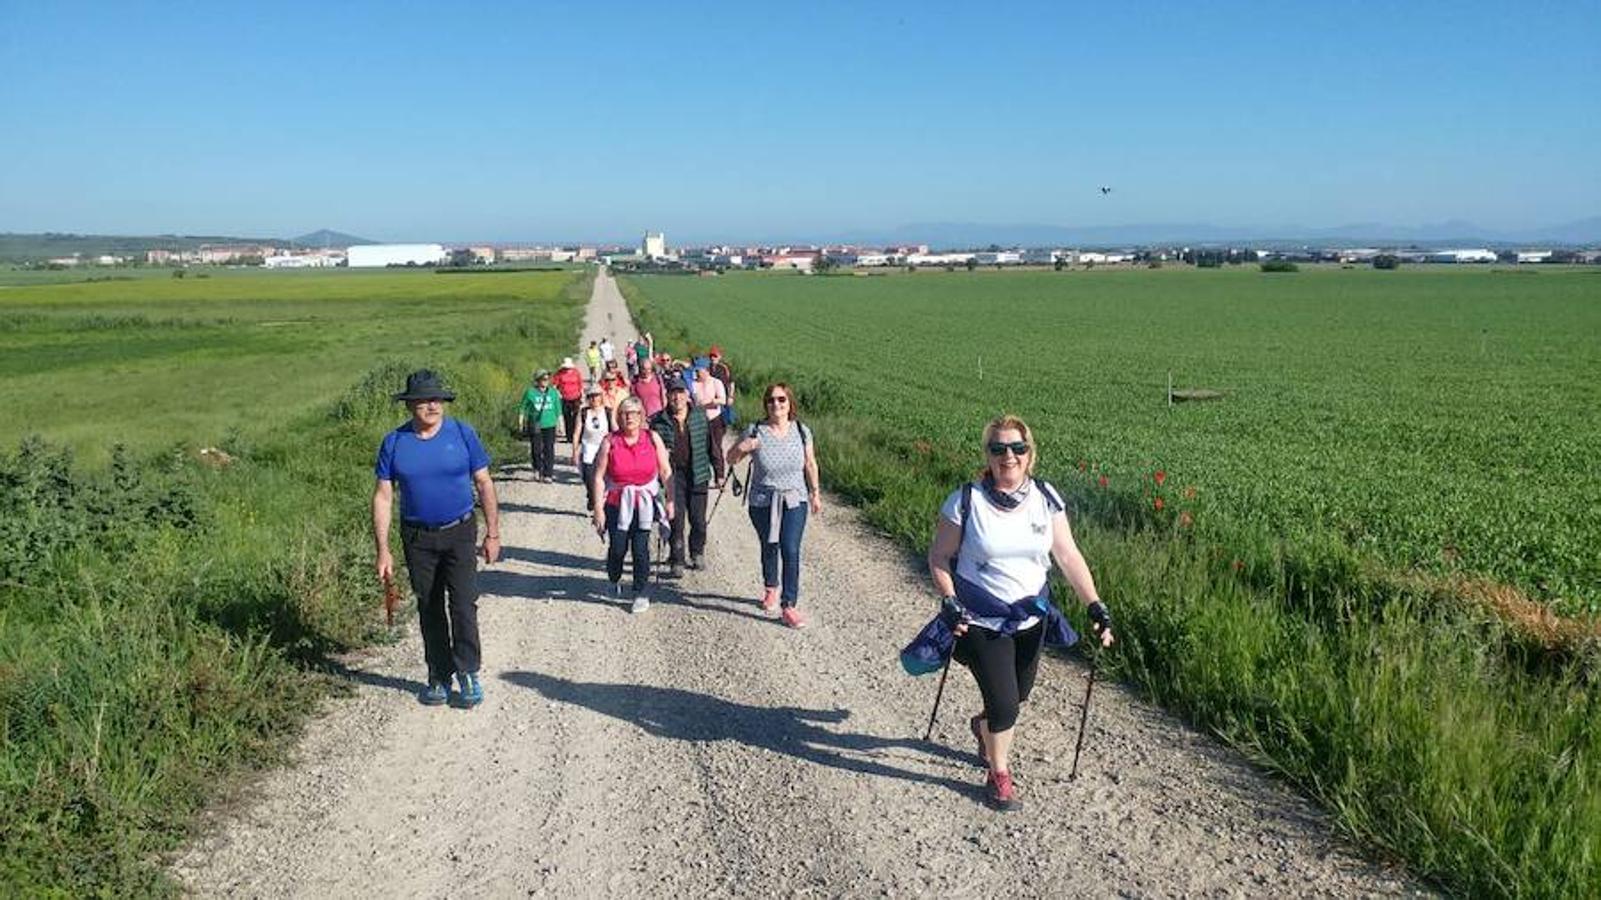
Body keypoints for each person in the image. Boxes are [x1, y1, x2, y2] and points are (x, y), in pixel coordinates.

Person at [924, 414, 1115, 810]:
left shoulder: (1046, 498)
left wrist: (1094, 604)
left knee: (1019, 694)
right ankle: (999, 773)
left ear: (1030, 454)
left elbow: (1067, 554)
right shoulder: (965, 500)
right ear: (988, 455)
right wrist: (949, 598)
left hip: (1031, 618)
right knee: (1006, 704)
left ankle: (983, 726)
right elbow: (940, 556)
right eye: (998, 449)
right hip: (979, 618)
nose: (1007, 456)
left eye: (1017, 448)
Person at [372, 369, 501, 707]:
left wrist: (493, 533)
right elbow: (383, 497)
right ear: (409, 405)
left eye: (437, 399)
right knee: (429, 607)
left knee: (463, 604)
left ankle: (468, 671)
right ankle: (438, 676)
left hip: (460, 532)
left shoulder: (462, 434)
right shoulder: (395, 442)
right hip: (417, 538)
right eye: (424, 400)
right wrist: (383, 550)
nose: (432, 405)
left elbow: (484, 482)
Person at [726, 383, 820, 629]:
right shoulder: (755, 431)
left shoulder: (801, 431)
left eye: (781, 400)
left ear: (790, 404)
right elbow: (731, 458)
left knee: (790, 548)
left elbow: (810, 464)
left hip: (794, 499)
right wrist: (743, 447)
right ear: (765, 404)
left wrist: (815, 493)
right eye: (771, 400)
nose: (776, 405)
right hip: (762, 501)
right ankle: (771, 587)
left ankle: (789, 605)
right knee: (770, 544)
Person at [590, 397, 673, 613]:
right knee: (617, 548)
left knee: (640, 549)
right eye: (625, 413)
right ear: (619, 417)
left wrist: (670, 501)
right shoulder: (610, 441)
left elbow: (665, 471)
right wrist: (598, 508)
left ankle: (640, 591)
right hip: (617, 503)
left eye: (634, 413)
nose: (630, 417)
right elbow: (599, 477)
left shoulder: (652, 438)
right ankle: (614, 578)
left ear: (642, 417)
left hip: (644, 504)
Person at [650, 381, 726, 577]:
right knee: (676, 519)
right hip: (673, 476)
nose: (677, 398)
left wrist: (719, 472)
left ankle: (697, 551)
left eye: (680, 393)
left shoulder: (700, 416)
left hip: (698, 473)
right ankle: (677, 559)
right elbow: (651, 452)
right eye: (673, 394)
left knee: (698, 520)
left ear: (687, 395)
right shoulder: (659, 421)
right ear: (667, 396)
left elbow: (713, 446)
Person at [572, 386, 611, 511]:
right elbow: (577, 433)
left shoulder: (608, 411)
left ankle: (600, 502)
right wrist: (574, 451)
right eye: (592, 396)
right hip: (588, 448)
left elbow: (614, 429)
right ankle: (592, 496)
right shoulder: (583, 412)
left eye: (597, 395)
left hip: (604, 448)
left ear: (601, 397)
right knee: (588, 476)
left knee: (603, 477)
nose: (594, 399)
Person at [518, 369, 560, 482]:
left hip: (550, 424)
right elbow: (523, 407)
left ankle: (548, 474)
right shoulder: (530, 392)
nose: (546, 381)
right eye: (544, 379)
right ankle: (537, 469)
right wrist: (521, 422)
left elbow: (558, 410)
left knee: (549, 449)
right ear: (537, 380)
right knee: (536, 449)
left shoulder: (553, 392)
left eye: (547, 379)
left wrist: (560, 425)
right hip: (535, 424)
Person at [692, 365, 728, 449]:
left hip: (714, 419)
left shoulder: (716, 382)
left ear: (707, 371)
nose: (697, 374)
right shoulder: (693, 384)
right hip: (699, 420)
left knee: (716, 448)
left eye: (699, 371)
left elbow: (723, 400)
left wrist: (709, 402)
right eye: (696, 371)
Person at [553, 358, 585, 443]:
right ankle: (569, 436)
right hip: (564, 398)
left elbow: (580, 384)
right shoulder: (559, 373)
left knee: (576, 417)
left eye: (568, 368)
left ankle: (575, 434)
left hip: (576, 397)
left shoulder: (576, 372)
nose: (567, 369)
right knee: (567, 417)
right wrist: (557, 394)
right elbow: (555, 385)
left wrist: (582, 395)